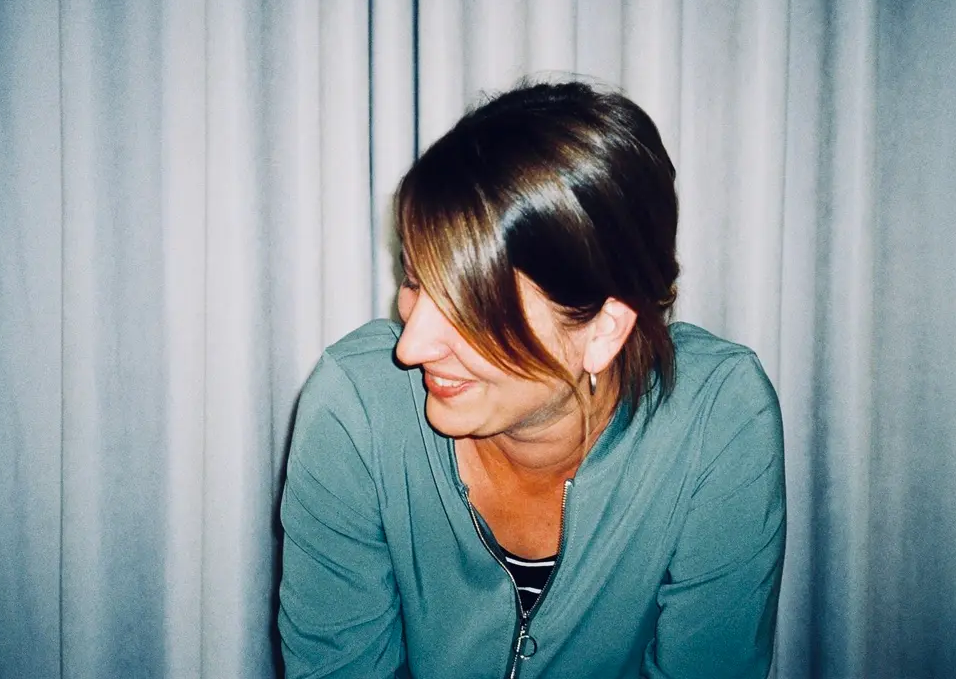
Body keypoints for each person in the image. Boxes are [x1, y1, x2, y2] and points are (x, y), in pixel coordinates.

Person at [277, 80, 786, 679]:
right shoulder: (355, 408)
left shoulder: (717, 418)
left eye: (470, 308)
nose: (411, 346)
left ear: (601, 330)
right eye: (414, 282)